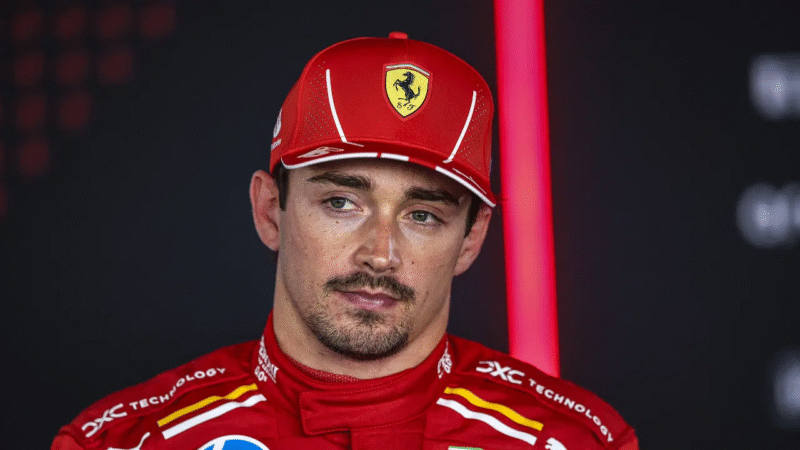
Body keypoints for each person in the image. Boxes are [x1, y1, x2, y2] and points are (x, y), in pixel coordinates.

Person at [52, 32, 638, 450]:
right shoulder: (123, 440)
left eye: (423, 215)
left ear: (471, 238)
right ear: (269, 210)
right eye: (341, 202)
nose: (379, 253)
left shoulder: (572, 441)